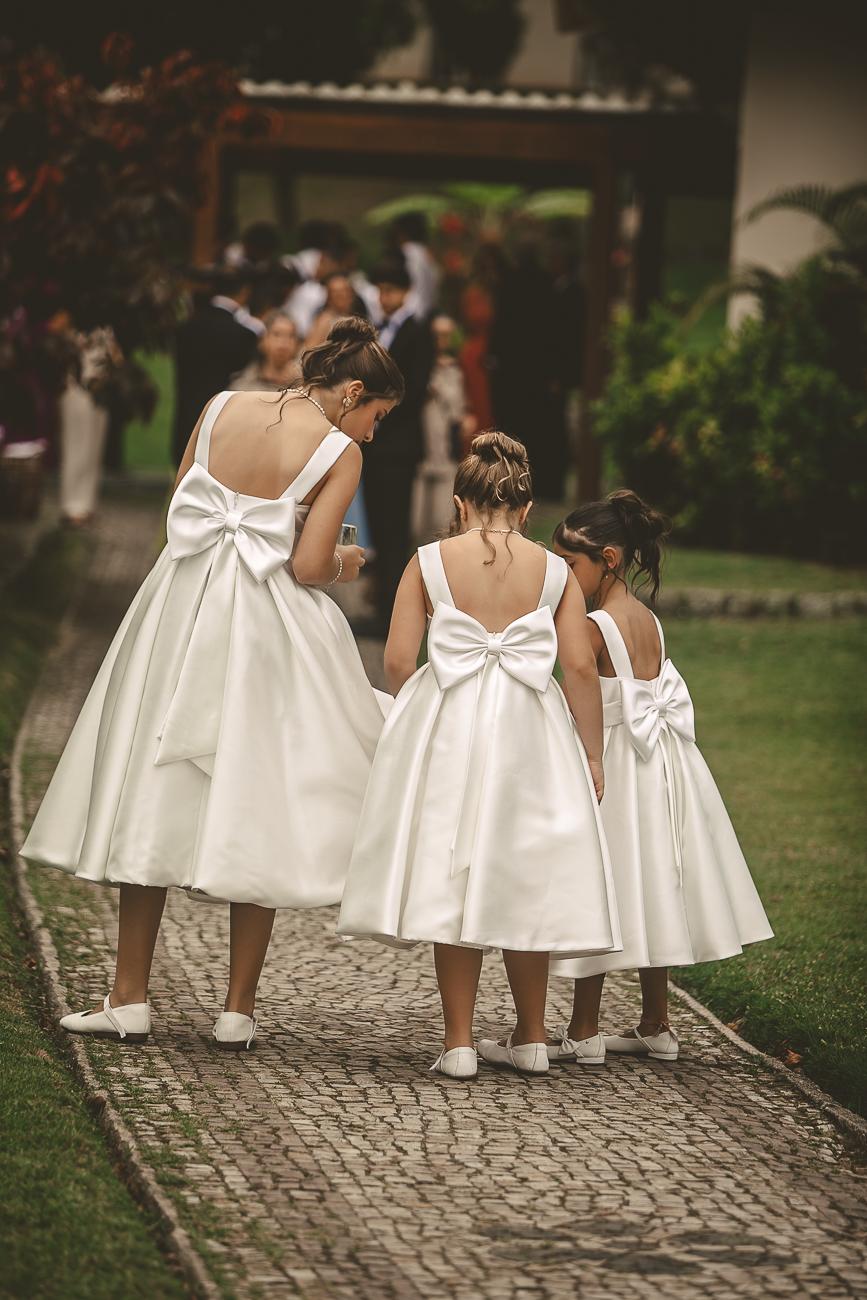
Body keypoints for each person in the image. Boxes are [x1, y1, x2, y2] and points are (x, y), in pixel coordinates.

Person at [22, 318, 404, 1051]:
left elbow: (179, 509)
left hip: (181, 607)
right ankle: (237, 1010)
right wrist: (345, 565)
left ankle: (129, 996)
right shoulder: (339, 452)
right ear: (353, 391)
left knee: (154, 785)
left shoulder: (220, 406)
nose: (372, 432)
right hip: (267, 629)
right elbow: (306, 566)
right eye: (377, 416)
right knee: (259, 795)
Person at [337, 433, 620, 1078]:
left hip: (452, 723)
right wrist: (594, 756)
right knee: (527, 870)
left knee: (453, 875)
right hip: (531, 730)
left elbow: (399, 659)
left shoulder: (427, 561)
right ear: (526, 509)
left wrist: (416, 720)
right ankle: (532, 1038)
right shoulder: (554, 571)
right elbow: (579, 667)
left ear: (460, 504)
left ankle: (460, 1043)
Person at [547, 491, 774, 1064]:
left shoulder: (593, 626)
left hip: (617, 762)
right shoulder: (648, 618)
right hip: (661, 765)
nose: (563, 578)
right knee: (654, 882)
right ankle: (656, 1023)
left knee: (604, 884)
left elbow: (575, 686)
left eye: (569, 565)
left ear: (608, 559)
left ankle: (584, 1028)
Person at [363, 258, 433, 631]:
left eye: (389, 290)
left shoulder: (417, 333)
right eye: (379, 290)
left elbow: (415, 390)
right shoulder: (378, 329)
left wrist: (377, 415)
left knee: (394, 530)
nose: (382, 297)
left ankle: (392, 615)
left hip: (398, 446)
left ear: (406, 292)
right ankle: (381, 607)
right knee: (378, 526)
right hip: (374, 446)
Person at [171, 275, 259, 465]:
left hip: (186, 423)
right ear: (244, 292)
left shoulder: (186, 328)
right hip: (223, 426)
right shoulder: (244, 335)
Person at [411, 314, 476, 542]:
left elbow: (464, 409)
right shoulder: (418, 367)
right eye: (437, 335)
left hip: (446, 451)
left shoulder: (458, 370)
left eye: (447, 335)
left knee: (443, 522)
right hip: (419, 450)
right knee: (415, 523)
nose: (441, 340)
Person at [59, 324, 123, 525]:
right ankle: (72, 504)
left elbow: (114, 353)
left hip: (100, 388)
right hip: (78, 386)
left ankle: (87, 503)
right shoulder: (75, 321)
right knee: (77, 445)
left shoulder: (105, 324)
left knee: (94, 447)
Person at [229, 312, 302, 392]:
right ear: (263, 340)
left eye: (290, 336)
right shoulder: (242, 387)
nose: (283, 343)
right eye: (276, 335)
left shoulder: (303, 388)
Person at [303, 274, 363, 351]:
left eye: (343, 291)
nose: (339, 295)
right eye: (335, 292)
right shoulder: (325, 319)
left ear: (351, 295)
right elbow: (309, 347)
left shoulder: (356, 318)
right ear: (329, 297)